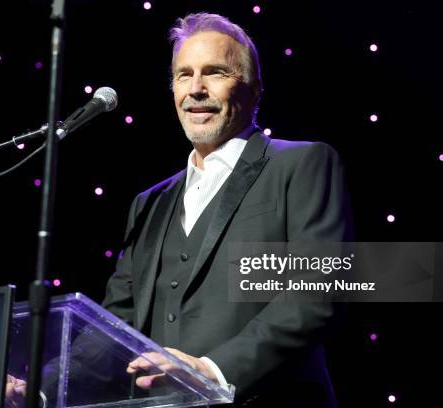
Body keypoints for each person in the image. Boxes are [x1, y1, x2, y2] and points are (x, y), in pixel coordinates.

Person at [102, 12, 353, 408]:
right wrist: (39, 386)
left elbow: (317, 293)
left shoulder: (303, 164)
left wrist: (212, 371)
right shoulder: (149, 203)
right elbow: (112, 327)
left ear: (254, 90)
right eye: (184, 75)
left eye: (215, 72)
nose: (196, 89)